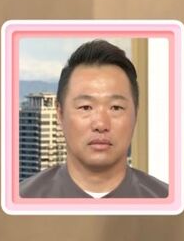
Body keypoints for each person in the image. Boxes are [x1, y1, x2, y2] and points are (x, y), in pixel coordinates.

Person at [20, 39, 169, 199]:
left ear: (136, 114)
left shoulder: (167, 199)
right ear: (60, 114)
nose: (101, 124)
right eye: (86, 107)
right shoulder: (22, 199)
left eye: (116, 108)